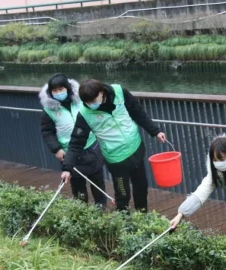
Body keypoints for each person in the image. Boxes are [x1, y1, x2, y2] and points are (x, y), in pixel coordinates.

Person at [61, 79, 166, 213]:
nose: (91, 105)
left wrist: (155, 131)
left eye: (93, 101)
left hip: (136, 149)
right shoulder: (85, 114)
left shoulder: (119, 92)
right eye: (87, 102)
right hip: (116, 159)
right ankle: (124, 221)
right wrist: (67, 167)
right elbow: (76, 142)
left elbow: (137, 112)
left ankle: (143, 218)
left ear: (101, 92)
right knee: (123, 194)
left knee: (141, 188)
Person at [40, 74, 108, 208]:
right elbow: (47, 132)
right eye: (55, 91)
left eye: (61, 89)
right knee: (77, 184)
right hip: (69, 152)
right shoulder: (48, 110)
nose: (59, 93)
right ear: (50, 92)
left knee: (97, 179)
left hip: (91, 147)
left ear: (68, 88)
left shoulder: (81, 100)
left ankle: (101, 206)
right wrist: (56, 149)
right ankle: (81, 209)